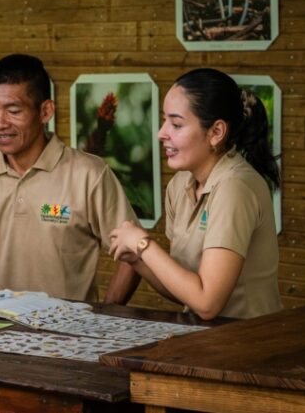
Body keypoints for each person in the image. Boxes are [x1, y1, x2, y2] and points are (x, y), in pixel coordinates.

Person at [0, 53, 140, 303]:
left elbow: (135, 255)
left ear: (45, 111)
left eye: (13, 111)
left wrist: (105, 316)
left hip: (64, 327)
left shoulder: (89, 174)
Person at [109, 68, 282, 320]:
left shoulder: (235, 187)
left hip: (248, 337)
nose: (161, 133)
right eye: (164, 120)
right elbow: (186, 292)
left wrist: (143, 244)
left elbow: (207, 303)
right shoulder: (179, 185)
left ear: (216, 132)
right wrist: (137, 260)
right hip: (204, 336)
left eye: (176, 124)